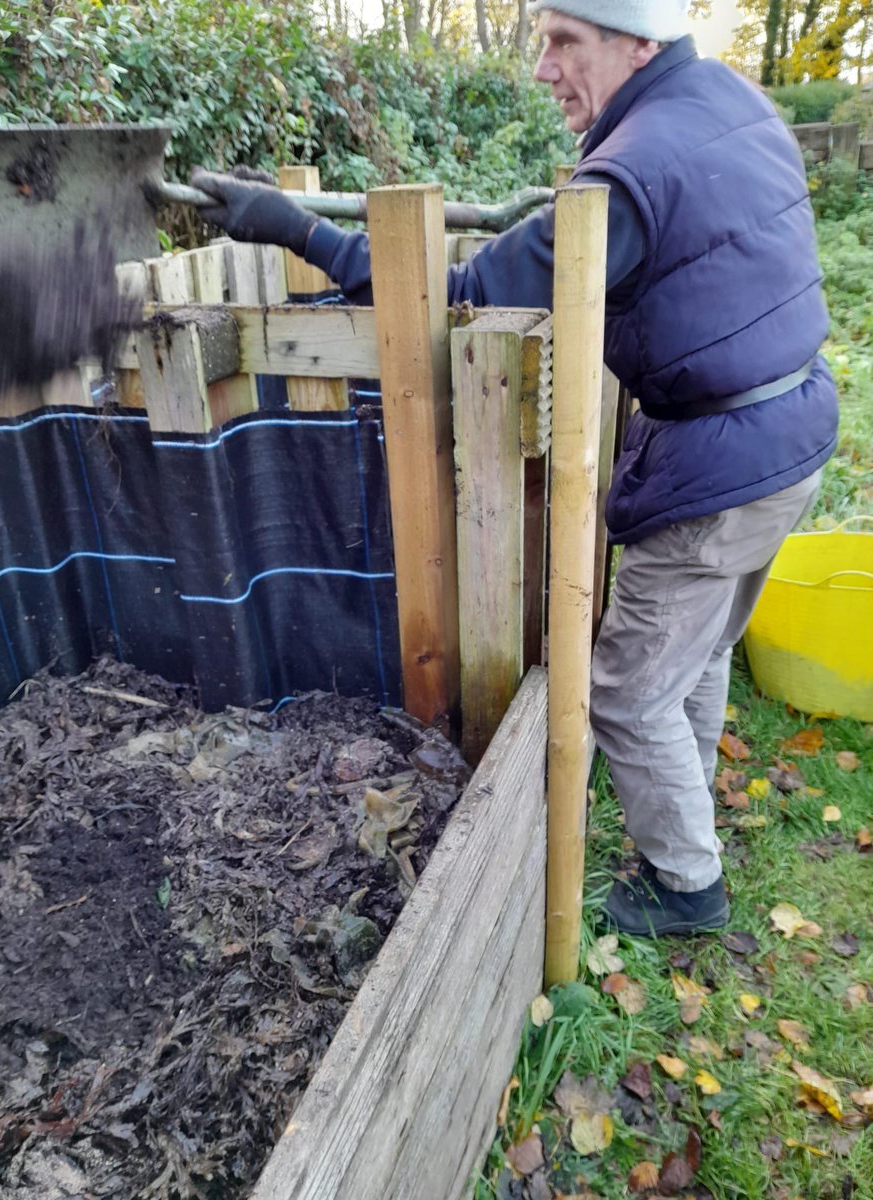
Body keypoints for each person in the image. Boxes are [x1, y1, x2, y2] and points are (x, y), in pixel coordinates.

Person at [191, 0, 838, 938]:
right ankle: (683, 812)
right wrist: (303, 214)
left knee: (628, 688)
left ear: (638, 43)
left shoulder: (629, 179)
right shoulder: (726, 102)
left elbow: (453, 293)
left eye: (564, 41)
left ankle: (686, 886)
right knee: (694, 654)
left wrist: (299, 231)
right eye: (542, 41)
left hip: (725, 459)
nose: (542, 68)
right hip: (789, 426)